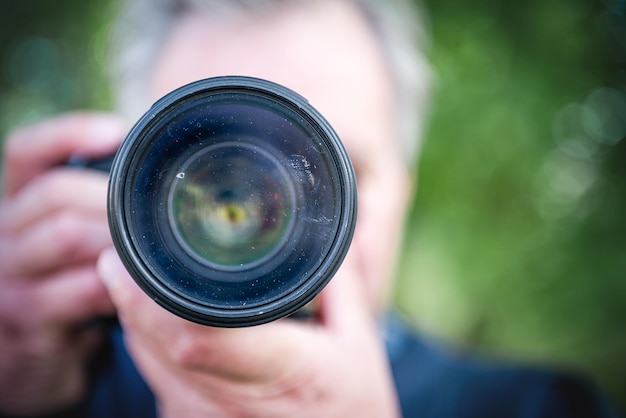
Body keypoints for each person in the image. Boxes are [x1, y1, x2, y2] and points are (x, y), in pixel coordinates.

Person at [0, 0, 620, 417]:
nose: (297, 212)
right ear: (123, 178)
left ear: (400, 197)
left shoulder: (536, 406)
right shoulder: (56, 377)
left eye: (336, 167)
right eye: (209, 159)